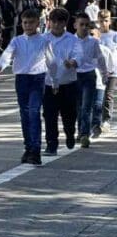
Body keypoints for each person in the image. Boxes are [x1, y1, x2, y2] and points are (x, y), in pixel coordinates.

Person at [0, 8, 53, 165]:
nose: (28, 26)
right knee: (24, 114)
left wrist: (54, 80)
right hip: (21, 78)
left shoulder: (44, 40)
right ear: (21, 23)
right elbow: (8, 54)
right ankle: (28, 147)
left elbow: (51, 61)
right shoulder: (17, 40)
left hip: (38, 78)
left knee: (34, 112)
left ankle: (36, 150)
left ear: (37, 23)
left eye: (31, 22)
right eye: (25, 22)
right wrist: (1, 65)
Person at [43, 9, 78, 156]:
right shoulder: (43, 39)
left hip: (67, 82)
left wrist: (73, 62)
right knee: (49, 115)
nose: (56, 25)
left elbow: (78, 54)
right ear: (49, 22)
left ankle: (70, 133)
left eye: (60, 22)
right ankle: (51, 144)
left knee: (69, 114)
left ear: (65, 23)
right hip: (48, 83)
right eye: (54, 21)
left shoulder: (72, 39)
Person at [72, 11, 104, 148]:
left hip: (89, 75)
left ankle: (85, 134)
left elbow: (100, 58)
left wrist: (104, 73)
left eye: (87, 25)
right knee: (77, 106)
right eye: (81, 25)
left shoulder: (93, 42)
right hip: (74, 76)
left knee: (86, 106)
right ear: (75, 25)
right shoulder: (70, 41)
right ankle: (80, 131)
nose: (84, 27)